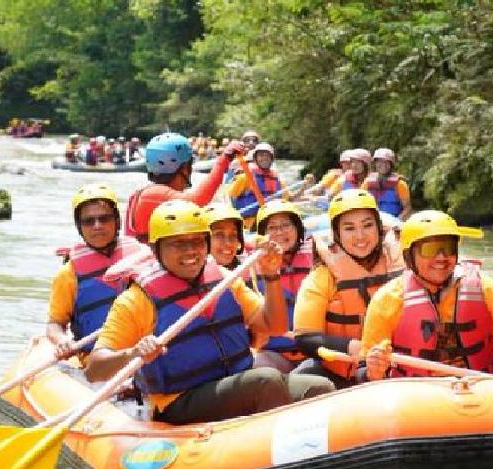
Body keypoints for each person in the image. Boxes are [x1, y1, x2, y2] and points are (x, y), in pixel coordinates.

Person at [85, 201, 335, 424]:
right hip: (180, 399)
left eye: (197, 241)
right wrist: (133, 353)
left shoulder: (226, 279)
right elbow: (94, 369)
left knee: (319, 387)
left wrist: (271, 276)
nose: (190, 251)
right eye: (178, 244)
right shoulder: (136, 301)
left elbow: (275, 326)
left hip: (235, 382)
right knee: (265, 380)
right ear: (156, 248)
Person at [362, 210, 493, 391]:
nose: (441, 257)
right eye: (430, 249)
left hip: (477, 390)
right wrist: (374, 370)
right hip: (414, 395)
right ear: (409, 256)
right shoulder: (387, 299)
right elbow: (364, 371)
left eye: (448, 248)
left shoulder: (486, 288)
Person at [292, 189, 404, 388]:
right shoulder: (321, 276)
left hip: (398, 368)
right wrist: (352, 347)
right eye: (349, 228)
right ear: (337, 234)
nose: (360, 236)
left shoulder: (403, 264)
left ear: (379, 228)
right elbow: (305, 338)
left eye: (367, 225)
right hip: (340, 372)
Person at [46, 183, 143, 362]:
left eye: (104, 218)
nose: (97, 226)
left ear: (117, 221)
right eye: (88, 221)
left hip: (143, 352)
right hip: (96, 360)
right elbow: (54, 324)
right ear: (79, 227)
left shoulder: (142, 257)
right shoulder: (68, 274)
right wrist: (62, 340)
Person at [124, 132, 244, 242]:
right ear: (185, 168)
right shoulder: (155, 194)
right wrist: (224, 159)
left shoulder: (142, 193)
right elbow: (197, 201)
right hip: (150, 260)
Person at [251, 200, 313, 373]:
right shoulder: (251, 266)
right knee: (260, 368)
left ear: (298, 230)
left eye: (286, 225)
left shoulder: (318, 257)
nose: (279, 232)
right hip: (273, 352)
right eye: (271, 228)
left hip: (314, 349)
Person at [226, 142, 284, 230]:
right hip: (248, 225)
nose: (264, 158)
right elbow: (229, 199)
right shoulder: (244, 178)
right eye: (261, 155)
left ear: (272, 159)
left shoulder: (277, 179)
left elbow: (289, 200)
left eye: (267, 156)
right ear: (255, 159)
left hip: (270, 223)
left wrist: (304, 186)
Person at [361, 148, 412, 218]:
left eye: (387, 162)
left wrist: (398, 220)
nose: (383, 165)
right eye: (380, 162)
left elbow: (407, 208)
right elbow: (362, 204)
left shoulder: (400, 184)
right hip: (374, 220)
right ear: (375, 163)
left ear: (391, 164)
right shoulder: (367, 182)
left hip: (394, 220)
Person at [203, 203, 245, 270]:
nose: (228, 243)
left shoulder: (249, 267)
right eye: (219, 235)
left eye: (233, 235)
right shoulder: (191, 277)